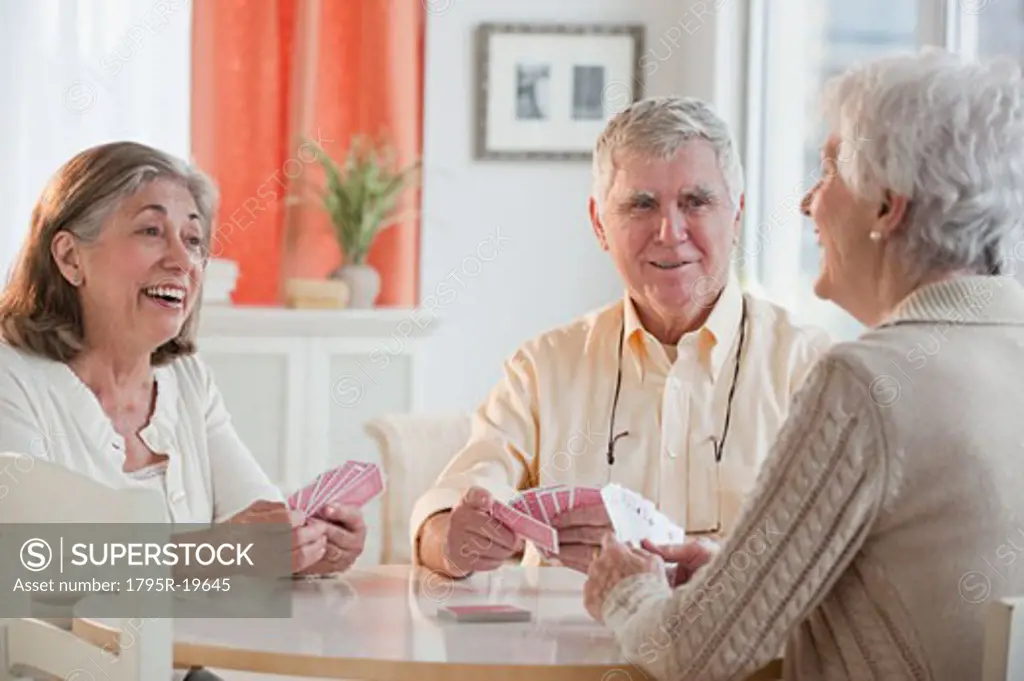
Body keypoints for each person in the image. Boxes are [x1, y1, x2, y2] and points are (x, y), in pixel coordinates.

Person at [583, 48, 1024, 681]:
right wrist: (743, 577)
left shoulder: (865, 384)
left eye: (828, 171)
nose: (808, 203)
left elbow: (692, 655)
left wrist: (627, 590)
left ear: (886, 207)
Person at [411, 96, 832, 579]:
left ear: (735, 215)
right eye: (641, 205)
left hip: (744, 655)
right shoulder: (543, 367)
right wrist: (452, 541)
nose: (670, 232)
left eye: (695, 202)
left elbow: (843, 558)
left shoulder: (813, 367)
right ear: (598, 224)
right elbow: (447, 510)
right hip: (562, 651)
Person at [0, 141, 365, 577]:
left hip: (198, 647)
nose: (181, 261)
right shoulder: (13, 379)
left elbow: (253, 515)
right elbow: (31, 564)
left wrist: (303, 546)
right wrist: (215, 553)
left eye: (193, 240)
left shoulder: (188, 381)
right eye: (151, 231)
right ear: (69, 257)